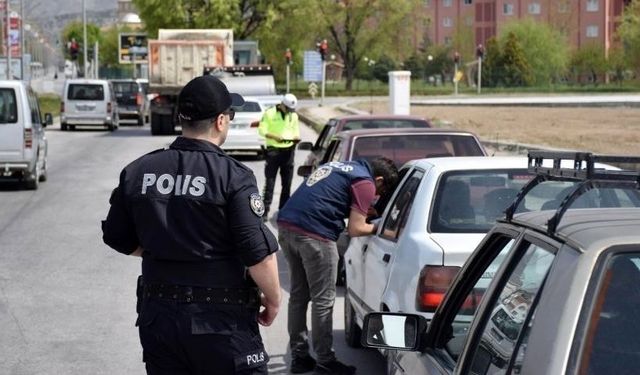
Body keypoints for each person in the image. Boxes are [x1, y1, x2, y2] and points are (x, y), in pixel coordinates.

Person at [101, 75, 281, 375]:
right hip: (221, 322)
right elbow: (256, 253)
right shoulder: (233, 176)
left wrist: (160, 251)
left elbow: (116, 236)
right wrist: (273, 299)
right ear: (221, 121)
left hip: (158, 318)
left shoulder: (138, 170)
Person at [277, 157, 399, 374]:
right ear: (379, 179)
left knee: (298, 296)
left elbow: (326, 198)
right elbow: (356, 229)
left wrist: (355, 209)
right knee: (323, 300)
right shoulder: (365, 182)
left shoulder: (340, 167)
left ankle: (300, 357)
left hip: (287, 228)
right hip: (315, 236)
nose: (377, 196)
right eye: (381, 189)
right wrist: (382, 229)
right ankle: (325, 361)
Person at [257, 93, 300, 220]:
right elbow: (262, 130)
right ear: (282, 105)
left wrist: (296, 138)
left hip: (289, 151)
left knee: (287, 183)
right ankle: (265, 211)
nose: (290, 112)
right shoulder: (270, 113)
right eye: (288, 109)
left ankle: (283, 210)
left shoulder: (293, 115)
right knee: (270, 182)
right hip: (274, 151)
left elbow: (295, 130)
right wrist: (274, 136)